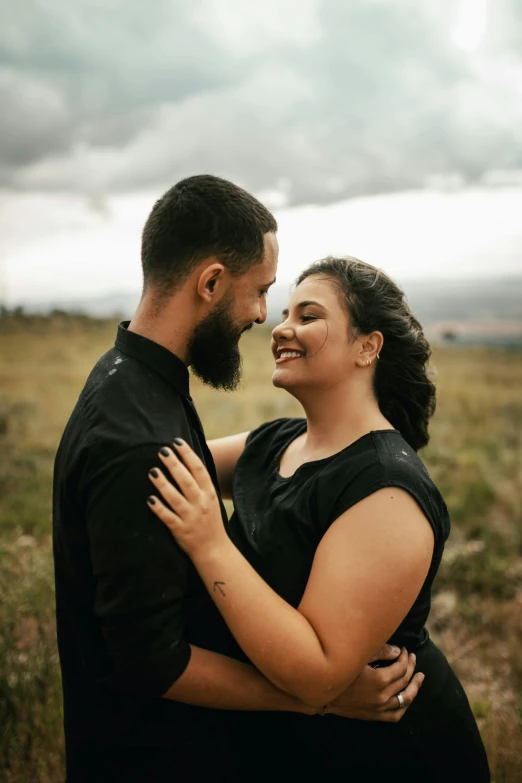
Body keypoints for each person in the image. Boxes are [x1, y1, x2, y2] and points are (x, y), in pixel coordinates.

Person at [53, 179, 422, 783]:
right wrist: (312, 698)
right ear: (211, 283)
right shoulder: (141, 433)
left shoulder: (131, 381)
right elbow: (150, 662)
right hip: (152, 755)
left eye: (300, 311)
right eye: (264, 295)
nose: (261, 317)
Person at [147, 256, 491, 782]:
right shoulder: (276, 442)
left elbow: (319, 676)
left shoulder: (387, 490)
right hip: (294, 747)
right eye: (285, 313)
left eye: (308, 316)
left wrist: (209, 541)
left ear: (367, 347)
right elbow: (155, 465)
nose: (281, 328)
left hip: (385, 755)